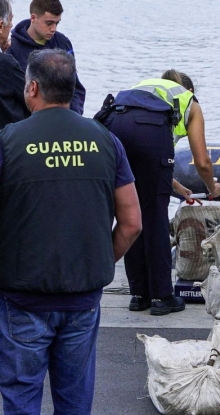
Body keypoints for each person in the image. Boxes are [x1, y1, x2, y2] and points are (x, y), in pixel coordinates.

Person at [0, 49, 142, 414]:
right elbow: (132, 222)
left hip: (23, 295)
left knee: (20, 396)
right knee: (75, 398)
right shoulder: (105, 140)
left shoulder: (9, 141)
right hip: (83, 297)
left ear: (32, 87)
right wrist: (97, 258)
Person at [96, 70, 220, 315]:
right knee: (154, 217)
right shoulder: (188, 100)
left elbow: (142, 146)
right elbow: (202, 161)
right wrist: (211, 188)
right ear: (190, 90)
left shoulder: (145, 90)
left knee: (128, 213)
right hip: (147, 131)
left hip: (111, 125)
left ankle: (139, 294)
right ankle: (162, 297)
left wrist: (174, 185)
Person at [5, 0, 86, 115]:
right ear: (33, 18)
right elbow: (11, 96)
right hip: (29, 123)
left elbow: (75, 87)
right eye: (49, 23)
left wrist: (74, 115)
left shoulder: (63, 42)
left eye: (57, 23)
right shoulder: (12, 48)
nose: (53, 28)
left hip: (65, 118)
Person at [0, 0, 28, 128]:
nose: (11, 25)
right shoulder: (6, 65)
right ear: (1, 26)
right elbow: (31, 99)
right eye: (10, 20)